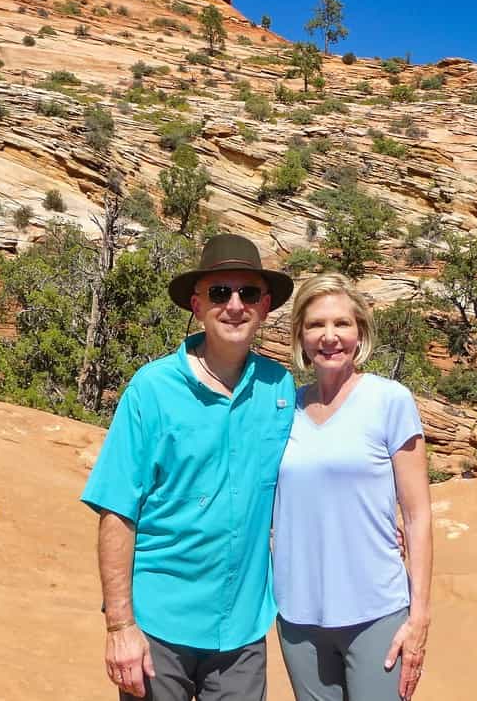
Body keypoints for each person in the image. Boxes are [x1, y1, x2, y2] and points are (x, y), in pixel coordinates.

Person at [81, 234, 297, 701]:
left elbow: (313, 471)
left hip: (242, 630)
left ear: (265, 307)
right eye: (220, 292)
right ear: (198, 305)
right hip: (161, 626)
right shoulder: (152, 390)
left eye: (249, 294)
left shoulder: (279, 389)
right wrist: (120, 625)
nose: (234, 305)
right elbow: (117, 509)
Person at [273, 273, 433, 701]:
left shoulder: (390, 401)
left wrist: (418, 617)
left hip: (375, 611)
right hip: (298, 615)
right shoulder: (282, 410)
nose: (329, 337)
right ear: (300, 336)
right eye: (315, 325)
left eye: (341, 324)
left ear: (359, 330)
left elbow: (417, 515)